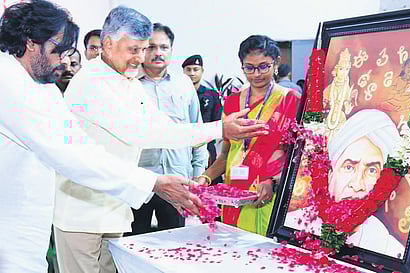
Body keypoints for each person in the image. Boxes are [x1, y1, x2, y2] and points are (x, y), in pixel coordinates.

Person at [0, 1, 265, 272]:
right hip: (76, 214)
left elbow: (158, 126)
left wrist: (217, 129)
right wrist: (156, 182)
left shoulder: (60, 87)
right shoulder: (74, 83)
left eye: (143, 49)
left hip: (107, 208)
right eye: (58, 50)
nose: (65, 61)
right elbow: (78, 152)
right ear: (108, 44)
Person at [197, 35, 298, 236]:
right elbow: (225, 155)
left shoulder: (290, 101)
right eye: (249, 68)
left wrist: (272, 180)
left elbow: (297, 155)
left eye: (263, 66)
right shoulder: (233, 103)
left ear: (276, 63)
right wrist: (205, 178)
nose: (256, 74)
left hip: (268, 193)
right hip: (234, 194)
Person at [285, 109, 405, 259]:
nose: (357, 184)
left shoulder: (390, 251)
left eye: (372, 170)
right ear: (330, 173)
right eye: (349, 167)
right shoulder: (291, 224)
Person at [128, 24, 208, 234]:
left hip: (178, 180)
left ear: (172, 49)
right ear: (143, 49)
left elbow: (196, 132)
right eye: (151, 47)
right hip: (139, 181)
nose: (158, 53)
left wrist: (198, 175)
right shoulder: (127, 84)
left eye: (164, 47)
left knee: (175, 244)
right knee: (135, 241)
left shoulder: (183, 84)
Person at [182, 54, 223, 184]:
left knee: (208, 184)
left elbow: (218, 123)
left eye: (195, 69)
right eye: (188, 70)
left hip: (207, 147)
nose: (192, 73)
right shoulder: (178, 95)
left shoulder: (211, 95)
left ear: (202, 71)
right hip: (184, 146)